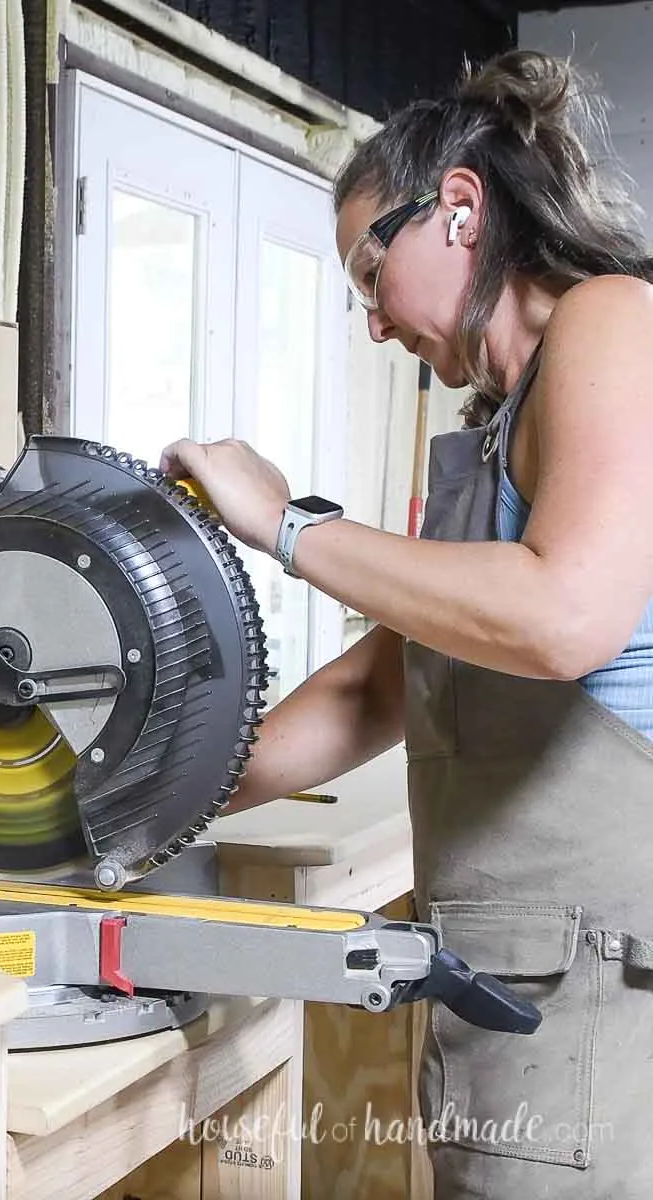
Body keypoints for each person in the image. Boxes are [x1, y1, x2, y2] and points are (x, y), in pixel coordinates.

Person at [161, 49, 653, 1199]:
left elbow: (567, 615)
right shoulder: (495, 432)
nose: (374, 325)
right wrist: (136, 789)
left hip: (603, 1013)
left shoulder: (615, 321)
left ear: (462, 210)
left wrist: (285, 525)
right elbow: (376, 689)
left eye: (370, 272)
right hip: (515, 1003)